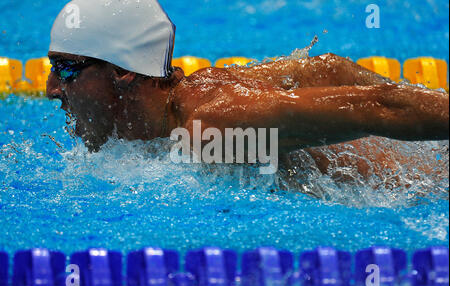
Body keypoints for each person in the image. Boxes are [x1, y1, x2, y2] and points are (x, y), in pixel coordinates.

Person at [46, 0, 449, 185]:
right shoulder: (194, 93)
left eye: (65, 69)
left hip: (420, 193)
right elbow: (329, 67)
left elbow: (379, 108)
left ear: (122, 72)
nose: (51, 90)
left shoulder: (212, 126)